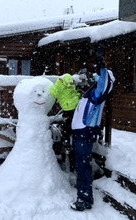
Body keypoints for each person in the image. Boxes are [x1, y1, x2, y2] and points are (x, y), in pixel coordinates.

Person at [70, 46, 115, 211]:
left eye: (91, 77)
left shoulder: (97, 95)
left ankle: (84, 200)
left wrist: (100, 64)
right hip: (80, 133)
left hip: (85, 134)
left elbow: (104, 83)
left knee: (82, 165)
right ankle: (84, 193)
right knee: (80, 165)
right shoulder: (87, 95)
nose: (87, 79)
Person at [50, 74, 81, 154]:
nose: (69, 85)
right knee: (68, 126)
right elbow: (53, 92)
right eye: (68, 83)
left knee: (75, 125)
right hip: (67, 109)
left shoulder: (70, 86)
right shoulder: (60, 86)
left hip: (75, 108)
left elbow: (73, 94)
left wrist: (78, 95)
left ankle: (71, 143)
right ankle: (65, 143)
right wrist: (59, 86)